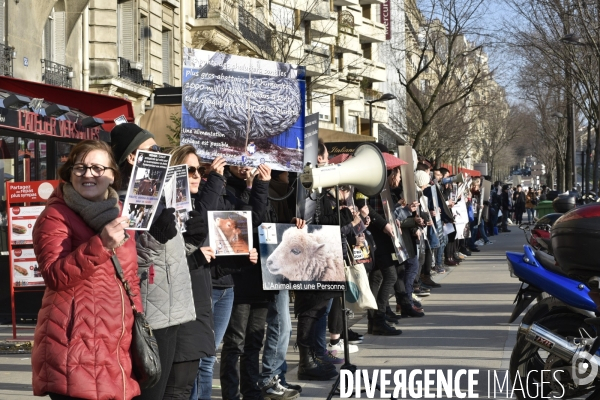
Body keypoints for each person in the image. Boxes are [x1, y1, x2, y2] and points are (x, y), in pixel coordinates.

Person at [32, 140, 142, 399]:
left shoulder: (120, 216)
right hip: (74, 347)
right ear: (69, 173)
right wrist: (101, 244)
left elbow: (130, 276)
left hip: (115, 347)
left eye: (97, 168)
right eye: (80, 167)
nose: (88, 174)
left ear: (112, 175)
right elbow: (54, 275)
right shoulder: (55, 216)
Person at [111, 123, 197, 400]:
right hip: (151, 306)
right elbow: (128, 255)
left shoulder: (160, 188)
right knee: (151, 390)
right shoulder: (121, 198)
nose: (160, 155)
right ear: (133, 157)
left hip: (173, 302)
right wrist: (157, 234)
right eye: (153, 150)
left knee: (172, 387)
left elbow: (177, 247)